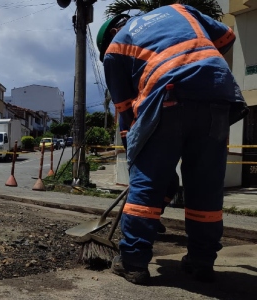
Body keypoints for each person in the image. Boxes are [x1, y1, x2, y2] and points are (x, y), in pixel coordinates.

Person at [97, 4, 248, 285]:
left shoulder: (116, 49)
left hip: (167, 99)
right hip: (217, 97)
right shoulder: (180, 9)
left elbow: (125, 110)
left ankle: (133, 262)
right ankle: (202, 262)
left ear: (113, 32)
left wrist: (136, 160)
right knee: (205, 186)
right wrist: (202, 72)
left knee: (147, 185)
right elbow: (227, 36)